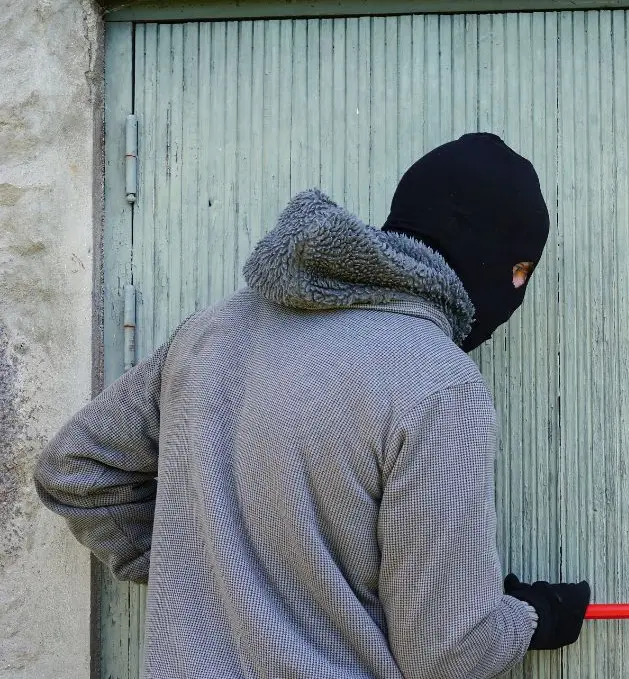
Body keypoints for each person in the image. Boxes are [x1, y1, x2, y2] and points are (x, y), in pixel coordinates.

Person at [34, 133, 590, 679]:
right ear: (484, 251)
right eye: (520, 271)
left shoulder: (212, 333)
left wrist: (208, 564)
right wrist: (533, 618)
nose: (515, 292)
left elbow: (76, 471)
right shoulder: (439, 382)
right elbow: (447, 654)